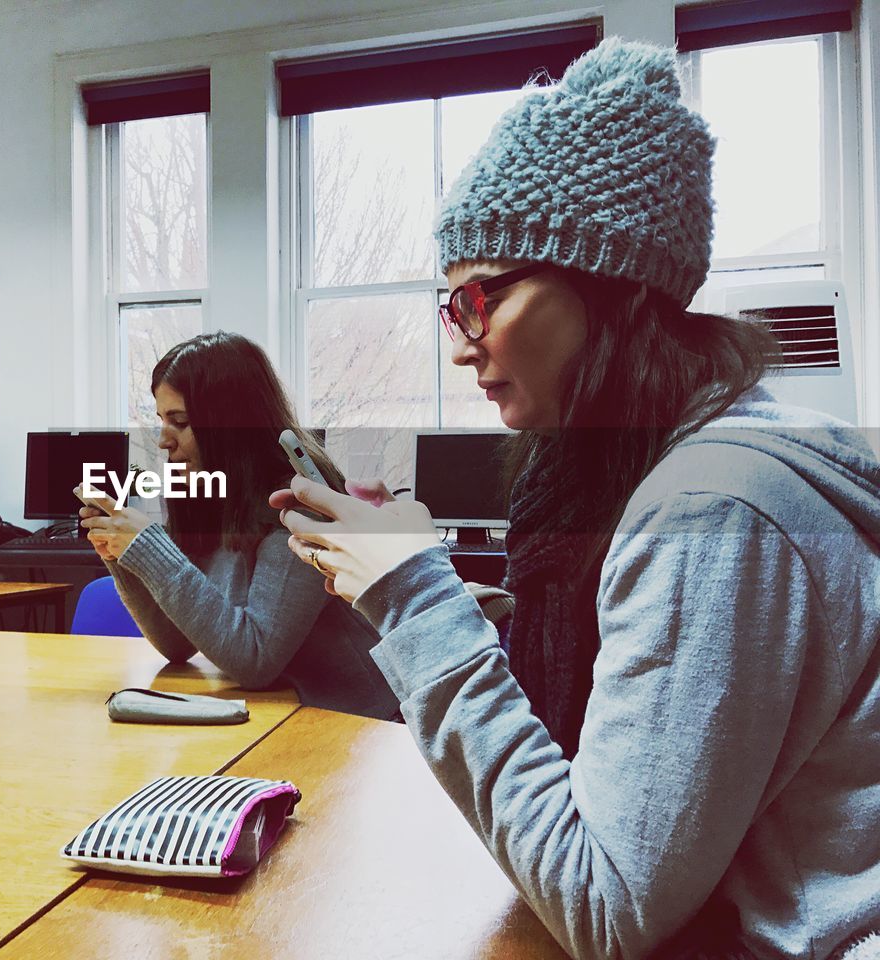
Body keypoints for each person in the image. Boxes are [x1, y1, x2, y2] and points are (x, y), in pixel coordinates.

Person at [273, 38, 880, 960]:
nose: (461, 344)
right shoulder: (701, 469)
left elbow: (605, 907)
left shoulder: (713, 512)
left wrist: (415, 598)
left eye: (479, 299)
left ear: (607, 283)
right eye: (451, 310)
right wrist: (456, 611)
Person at [78, 330, 398, 720]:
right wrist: (122, 552)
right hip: (280, 712)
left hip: (357, 721)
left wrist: (148, 545)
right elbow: (177, 643)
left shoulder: (299, 505)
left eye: (179, 421)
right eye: (161, 420)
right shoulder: (206, 494)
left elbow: (255, 658)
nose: (163, 440)